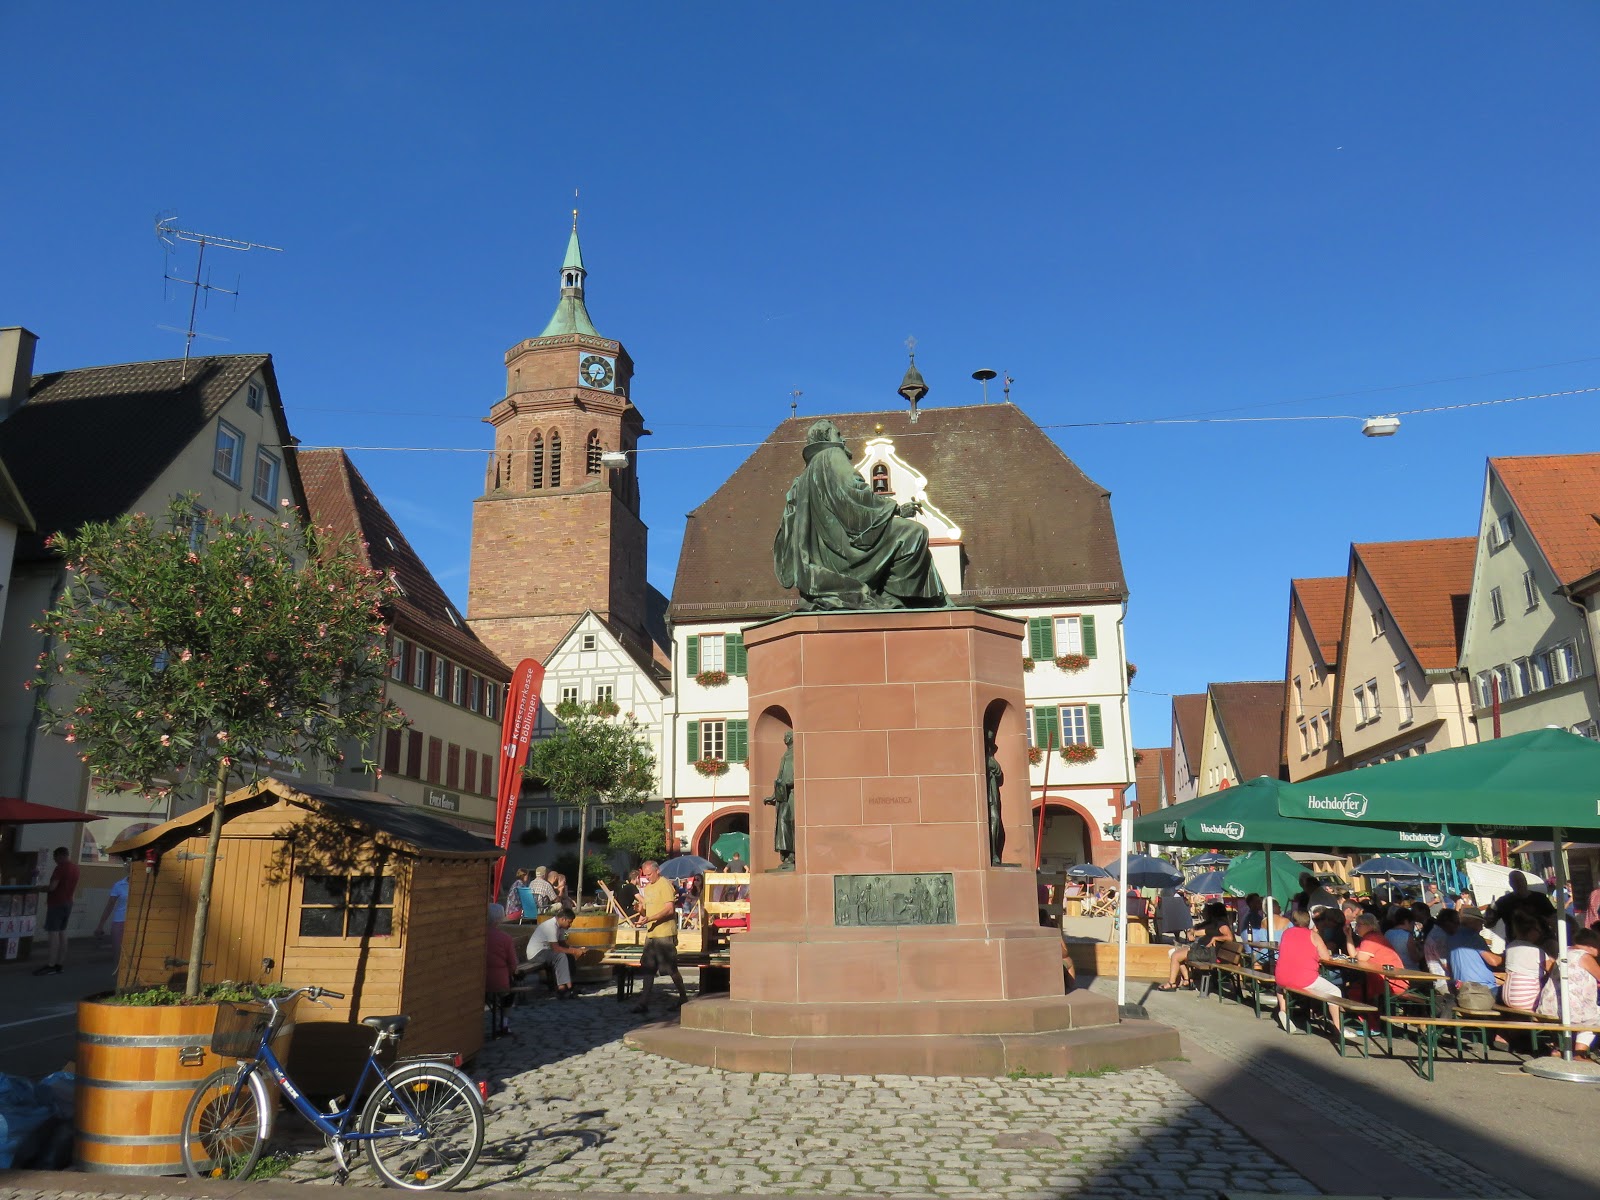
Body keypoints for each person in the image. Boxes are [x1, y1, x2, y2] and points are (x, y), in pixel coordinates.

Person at [772, 418, 949, 610]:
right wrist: (896, 509)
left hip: (825, 555)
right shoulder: (831, 455)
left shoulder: (806, 475)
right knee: (914, 534)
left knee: (907, 534)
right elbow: (853, 493)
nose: (844, 439)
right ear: (826, 438)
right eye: (838, 434)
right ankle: (895, 597)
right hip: (845, 552)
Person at [1272, 908, 1351, 1037]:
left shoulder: (1286, 933)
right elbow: (1325, 957)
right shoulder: (1313, 935)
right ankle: (1338, 1027)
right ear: (1309, 922)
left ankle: (1283, 1010)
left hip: (1282, 976)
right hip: (1305, 978)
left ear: (1293, 920)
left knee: (1280, 985)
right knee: (1335, 991)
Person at [633, 860, 687, 1015]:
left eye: (649, 874)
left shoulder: (664, 885)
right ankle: (643, 1002)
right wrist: (642, 913)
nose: (647, 877)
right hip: (651, 934)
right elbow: (648, 912)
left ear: (657, 871)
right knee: (648, 968)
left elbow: (669, 910)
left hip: (664, 933)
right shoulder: (647, 888)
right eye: (645, 875)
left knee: (670, 968)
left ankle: (683, 997)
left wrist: (649, 919)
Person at [1536, 927, 1600, 1053]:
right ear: (1591, 945)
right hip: (1568, 1008)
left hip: (1549, 1006)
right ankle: (1580, 1053)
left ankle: (1557, 1048)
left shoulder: (1564, 953)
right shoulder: (1585, 957)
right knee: (1595, 1016)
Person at [1159, 900, 1233, 991]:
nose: (1206, 913)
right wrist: (1192, 933)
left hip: (1208, 953)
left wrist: (1215, 938)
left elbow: (1229, 937)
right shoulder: (1213, 924)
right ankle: (1185, 981)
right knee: (1176, 954)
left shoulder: (1222, 924)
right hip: (1203, 950)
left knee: (1175, 955)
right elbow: (1198, 931)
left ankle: (1172, 983)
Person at [34, 846, 79, 976]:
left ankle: (51, 964)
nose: (55, 860)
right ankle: (60, 963)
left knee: (53, 933)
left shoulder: (61, 868)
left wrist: (41, 888)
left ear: (60, 855)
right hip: (68, 902)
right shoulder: (75, 868)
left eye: (55, 857)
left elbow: (53, 887)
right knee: (62, 932)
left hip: (57, 903)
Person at [1446, 906, 1503, 1008]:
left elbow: (1449, 967)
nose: (1481, 928)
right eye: (1480, 923)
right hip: (1482, 991)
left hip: (1462, 990)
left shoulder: (1451, 938)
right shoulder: (1473, 937)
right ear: (1472, 921)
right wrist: (1507, 956)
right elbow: (1494, 962)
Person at [520, 910, 580, 998]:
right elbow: (556, 948)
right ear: (563, 919)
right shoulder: (551, 926)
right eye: (569, 922)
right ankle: (563, 988)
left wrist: (575, 950)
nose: (570, 925)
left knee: (569, 956)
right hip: (536, 954)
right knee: (560, 956)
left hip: (545, 952)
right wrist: (574, 951)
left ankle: (570, 983)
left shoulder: (560, 927)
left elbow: (563, 944)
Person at [1352, 913, 1408, 1006]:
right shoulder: (1369, 937)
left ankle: (1367, 1018)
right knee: (1356, 989)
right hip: (1385, 979)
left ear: (1369, 926)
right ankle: (1367, 1018)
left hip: (1390, 982)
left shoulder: (1372, 938)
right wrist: (1349, 937)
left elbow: (1360, 959)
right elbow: (1354, 955)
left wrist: (1356, 955)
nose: (1356, 928)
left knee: (1354, 991)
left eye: (1359, 925)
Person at [1500, 912, 1550, 1011]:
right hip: (1526, 1001)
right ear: (1531, 931)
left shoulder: (1510, 947)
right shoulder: (1537, 951)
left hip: (1507, 998)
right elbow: (1553, 970)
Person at [484, 903, 521, 1036]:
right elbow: (513, 964)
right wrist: (510, 974)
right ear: (499, 919)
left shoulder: (479, 936)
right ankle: (504, 1024)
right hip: (499, 981)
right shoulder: (505, 938)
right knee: (511, 990)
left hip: (478, 981)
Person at [763, 732, 796, 868]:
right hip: (783, 794)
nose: (785, 737)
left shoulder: (796, 753)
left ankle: (793, 854)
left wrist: (789, 783)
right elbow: (779, 777)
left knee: (790, 821)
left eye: (788, 735)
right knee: (782, 822)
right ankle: (787, 853)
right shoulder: (785, 755)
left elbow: (799, 774)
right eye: (784, 736)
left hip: (793, 793)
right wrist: (773, 794)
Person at [93, 859, 131, 973]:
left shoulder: (142, 885)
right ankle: (117, 976)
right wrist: (100, 925)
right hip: (119, 921)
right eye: (129, 867)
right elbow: (109, 906)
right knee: (117, 952)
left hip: (133, 921)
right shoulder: (119, 885)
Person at [1423, 907, 1458, 994]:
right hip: (1445, 984)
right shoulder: (1440, 937)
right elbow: (1448, 965)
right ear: (1448, 923)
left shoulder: (1435, 933)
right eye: (1456, 923)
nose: (1458, 926)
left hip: (1441, 981)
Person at [1381, 905, 1422, 971]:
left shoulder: (1387, 933)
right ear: (1406, 921)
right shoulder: (1407, 935)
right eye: (1412, 924)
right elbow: (1415, 958)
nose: (1413, 926)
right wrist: (1422, 950)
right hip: (1410, 971)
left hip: (1393, 969)